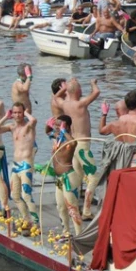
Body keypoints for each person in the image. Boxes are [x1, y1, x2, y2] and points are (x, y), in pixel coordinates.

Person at [55, 78, 100, 220]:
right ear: (79, 91)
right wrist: (92, 83)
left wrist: (65, 88)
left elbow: (56, 97)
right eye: (80, 88)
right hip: (82, 146)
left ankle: (72, 205)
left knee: (78, 177)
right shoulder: (81, 104)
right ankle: (86, 210)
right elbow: (97, 92)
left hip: (72, 144)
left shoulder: (65, 104)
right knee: (93, 178)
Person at [0, 102, 37, 225]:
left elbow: (33, 120)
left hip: (26, 164)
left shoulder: (28, 126)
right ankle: (27, 219)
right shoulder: (11, 127)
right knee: (15, 195)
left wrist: (27, 113)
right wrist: (5, 117)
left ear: (23, 113)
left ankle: (36, 223)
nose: (17, 115)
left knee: (26, 195)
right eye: (15, 112)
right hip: (15, 165)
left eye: (19, 112)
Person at [50, 115, 84, 236]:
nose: (58, 127)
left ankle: (80, 235)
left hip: (69, 178)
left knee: (72, 208)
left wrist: (64, 131)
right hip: (59, 179)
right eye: (57, 125)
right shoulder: (57, 138)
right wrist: (49, 125)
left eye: (61, 125)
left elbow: (74, 142)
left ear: (67, 127)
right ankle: (66, 233)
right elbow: (48, 132)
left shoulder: (69, 142)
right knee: (61, 206)